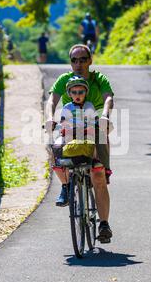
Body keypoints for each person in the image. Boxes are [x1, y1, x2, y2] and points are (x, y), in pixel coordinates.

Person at [45, 44, 114, 242]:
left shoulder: (98, 79)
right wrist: (50, 118)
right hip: (71, 130)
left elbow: (108, 98)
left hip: (95, 128)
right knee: (55, 149)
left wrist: (105, 116)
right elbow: (52, 101)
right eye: (74, 60)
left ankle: (104, 224)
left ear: (90, 61)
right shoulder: (64, 80)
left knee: (98, 174)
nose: (78, 64)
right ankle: (66, 185)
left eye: (83, 59)